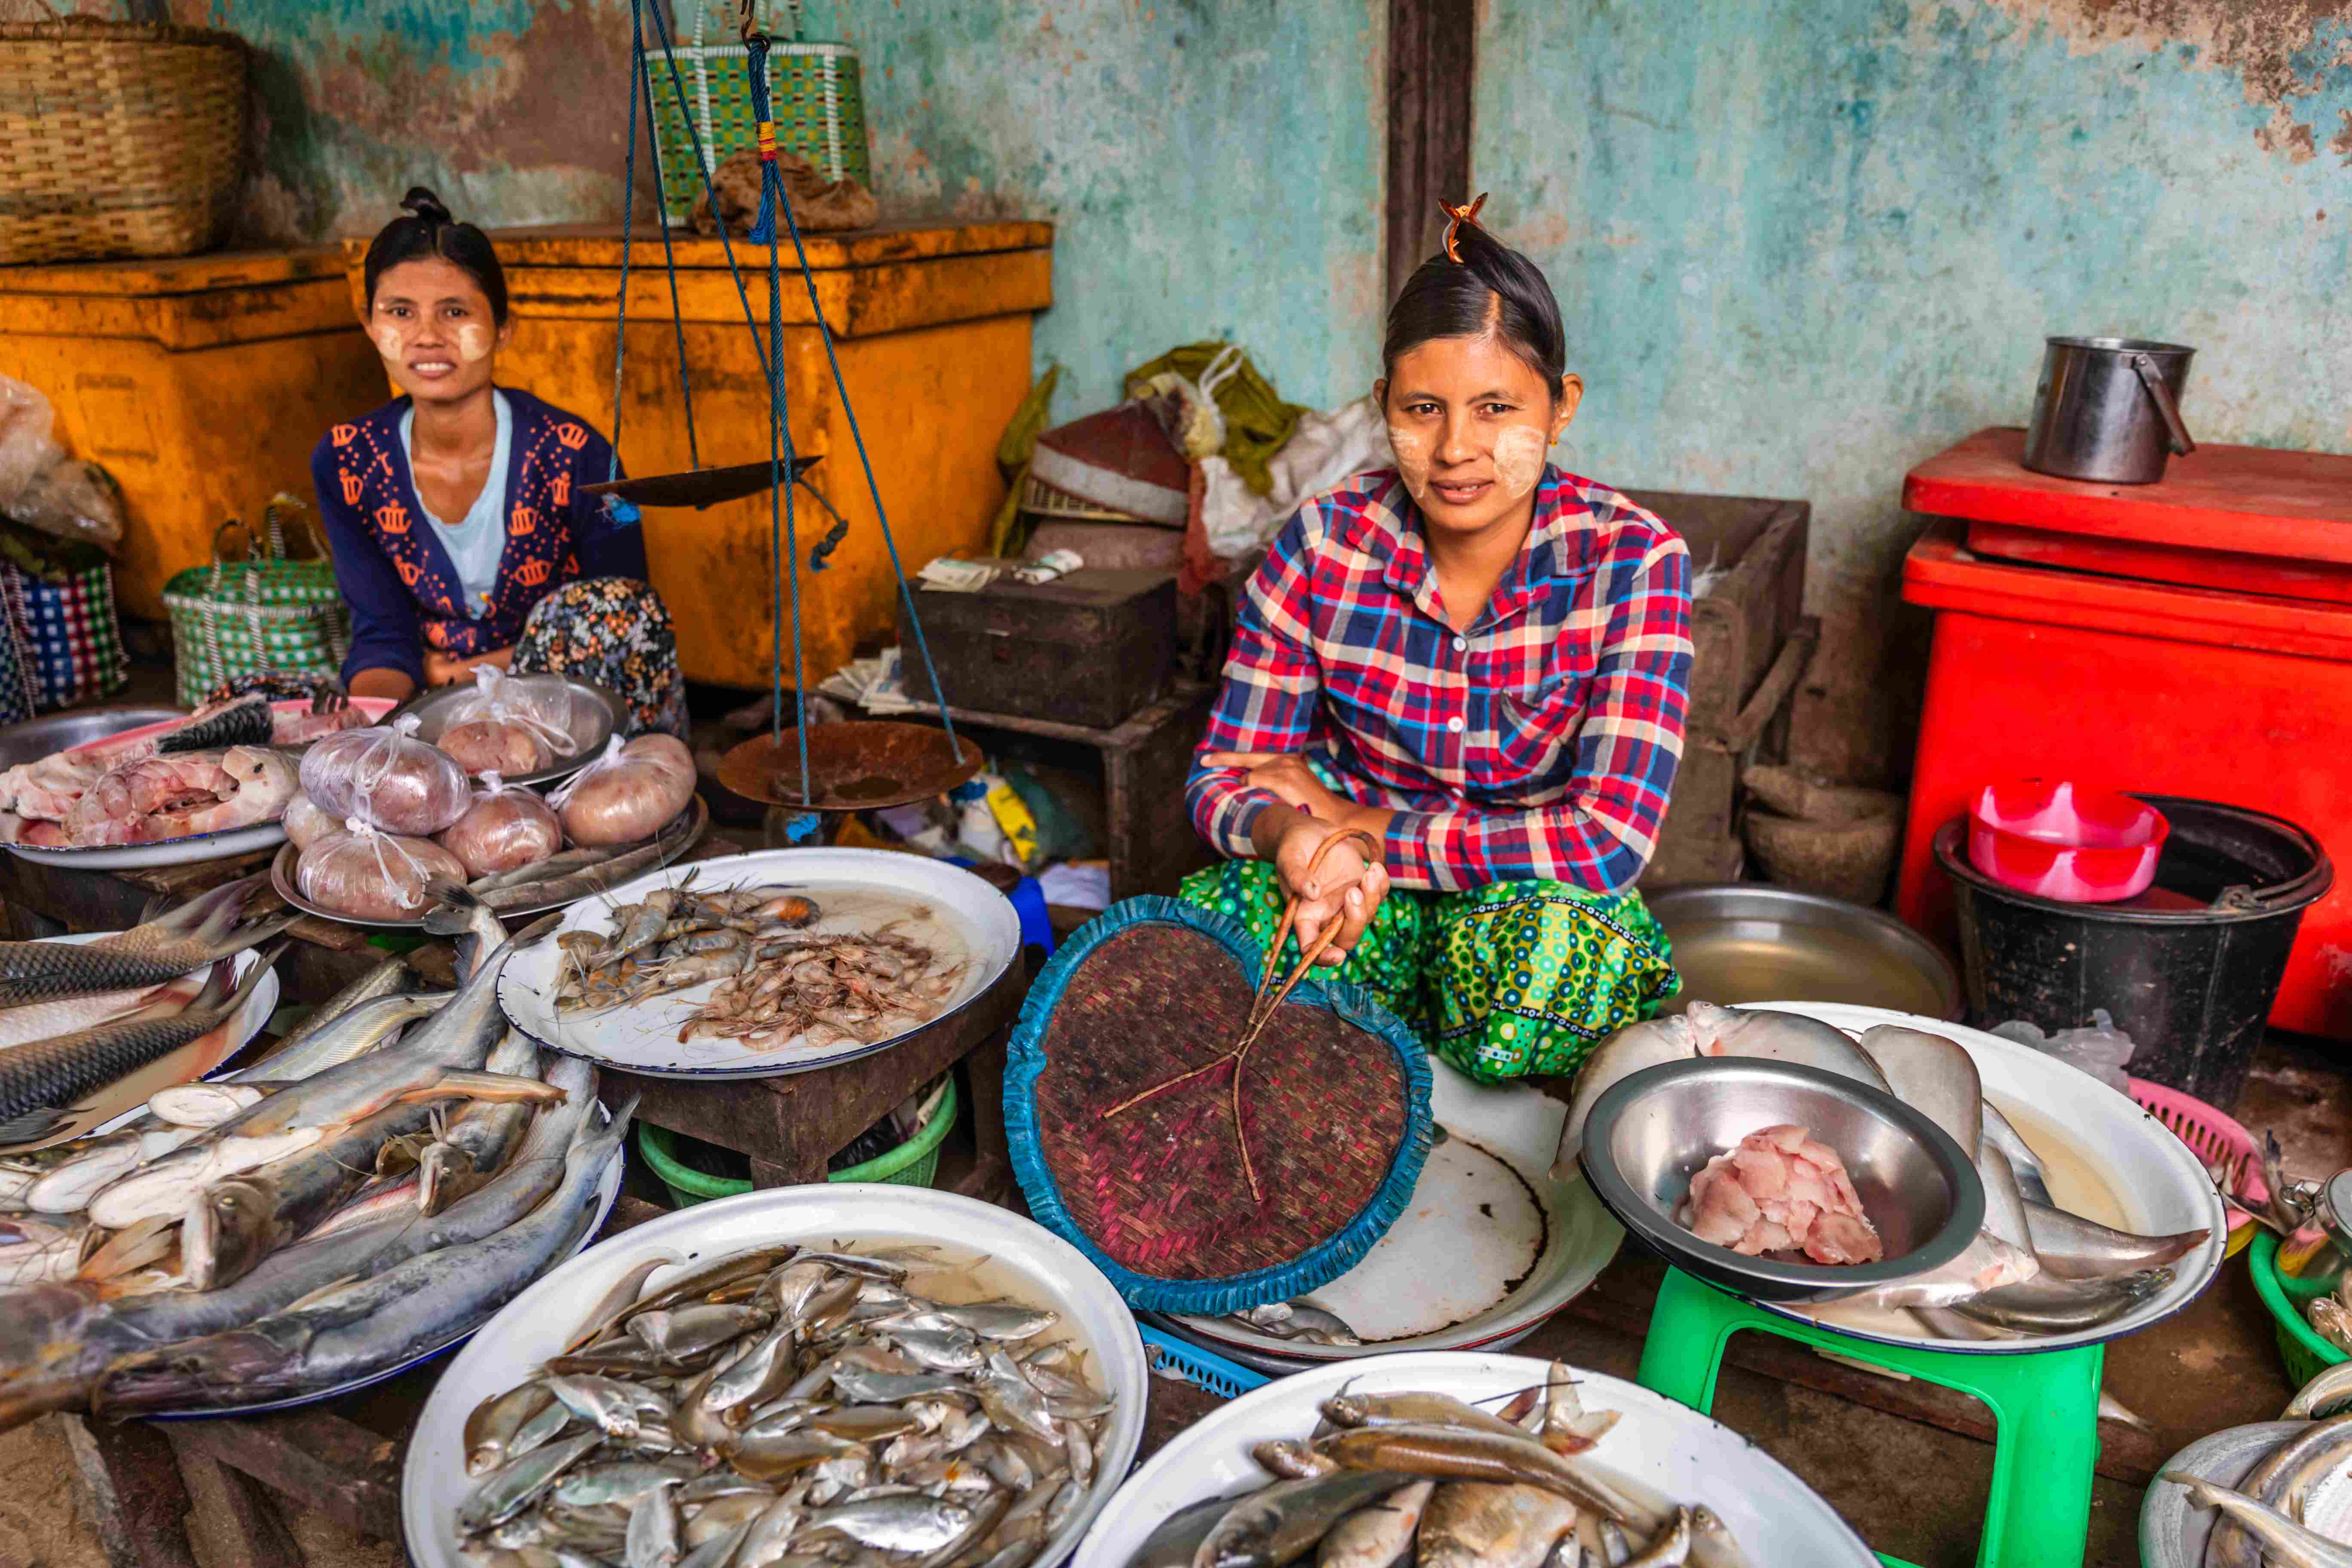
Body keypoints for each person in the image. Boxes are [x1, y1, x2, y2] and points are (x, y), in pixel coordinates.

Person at [1182, 195, 1694, 1084]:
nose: (1457, 448)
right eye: (1423, 409)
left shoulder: (1633, 561)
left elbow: (1607, 840)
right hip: (1355, 892)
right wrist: (1295, 839)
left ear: (1561, 407)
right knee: (1209, 933)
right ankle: (1369, 1071)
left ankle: (1412, 1062)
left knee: (1553, 966)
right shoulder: (1326, 541)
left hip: (1520, 903)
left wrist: (1364, 824)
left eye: (1496, 407)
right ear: (1383, 406)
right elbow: (1222, 777)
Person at [310, 187, 687, 737]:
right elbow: (383, 634)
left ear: (503, 328)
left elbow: (625, 620)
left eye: (455, 312)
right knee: (262, 703)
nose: (426, 337)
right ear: (370, 324)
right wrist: (373, 736)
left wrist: (462, 674)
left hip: (576, 710)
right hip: (434, 709)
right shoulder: (347, 461)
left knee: (615, 608)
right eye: (399, 313)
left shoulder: (577, 454)